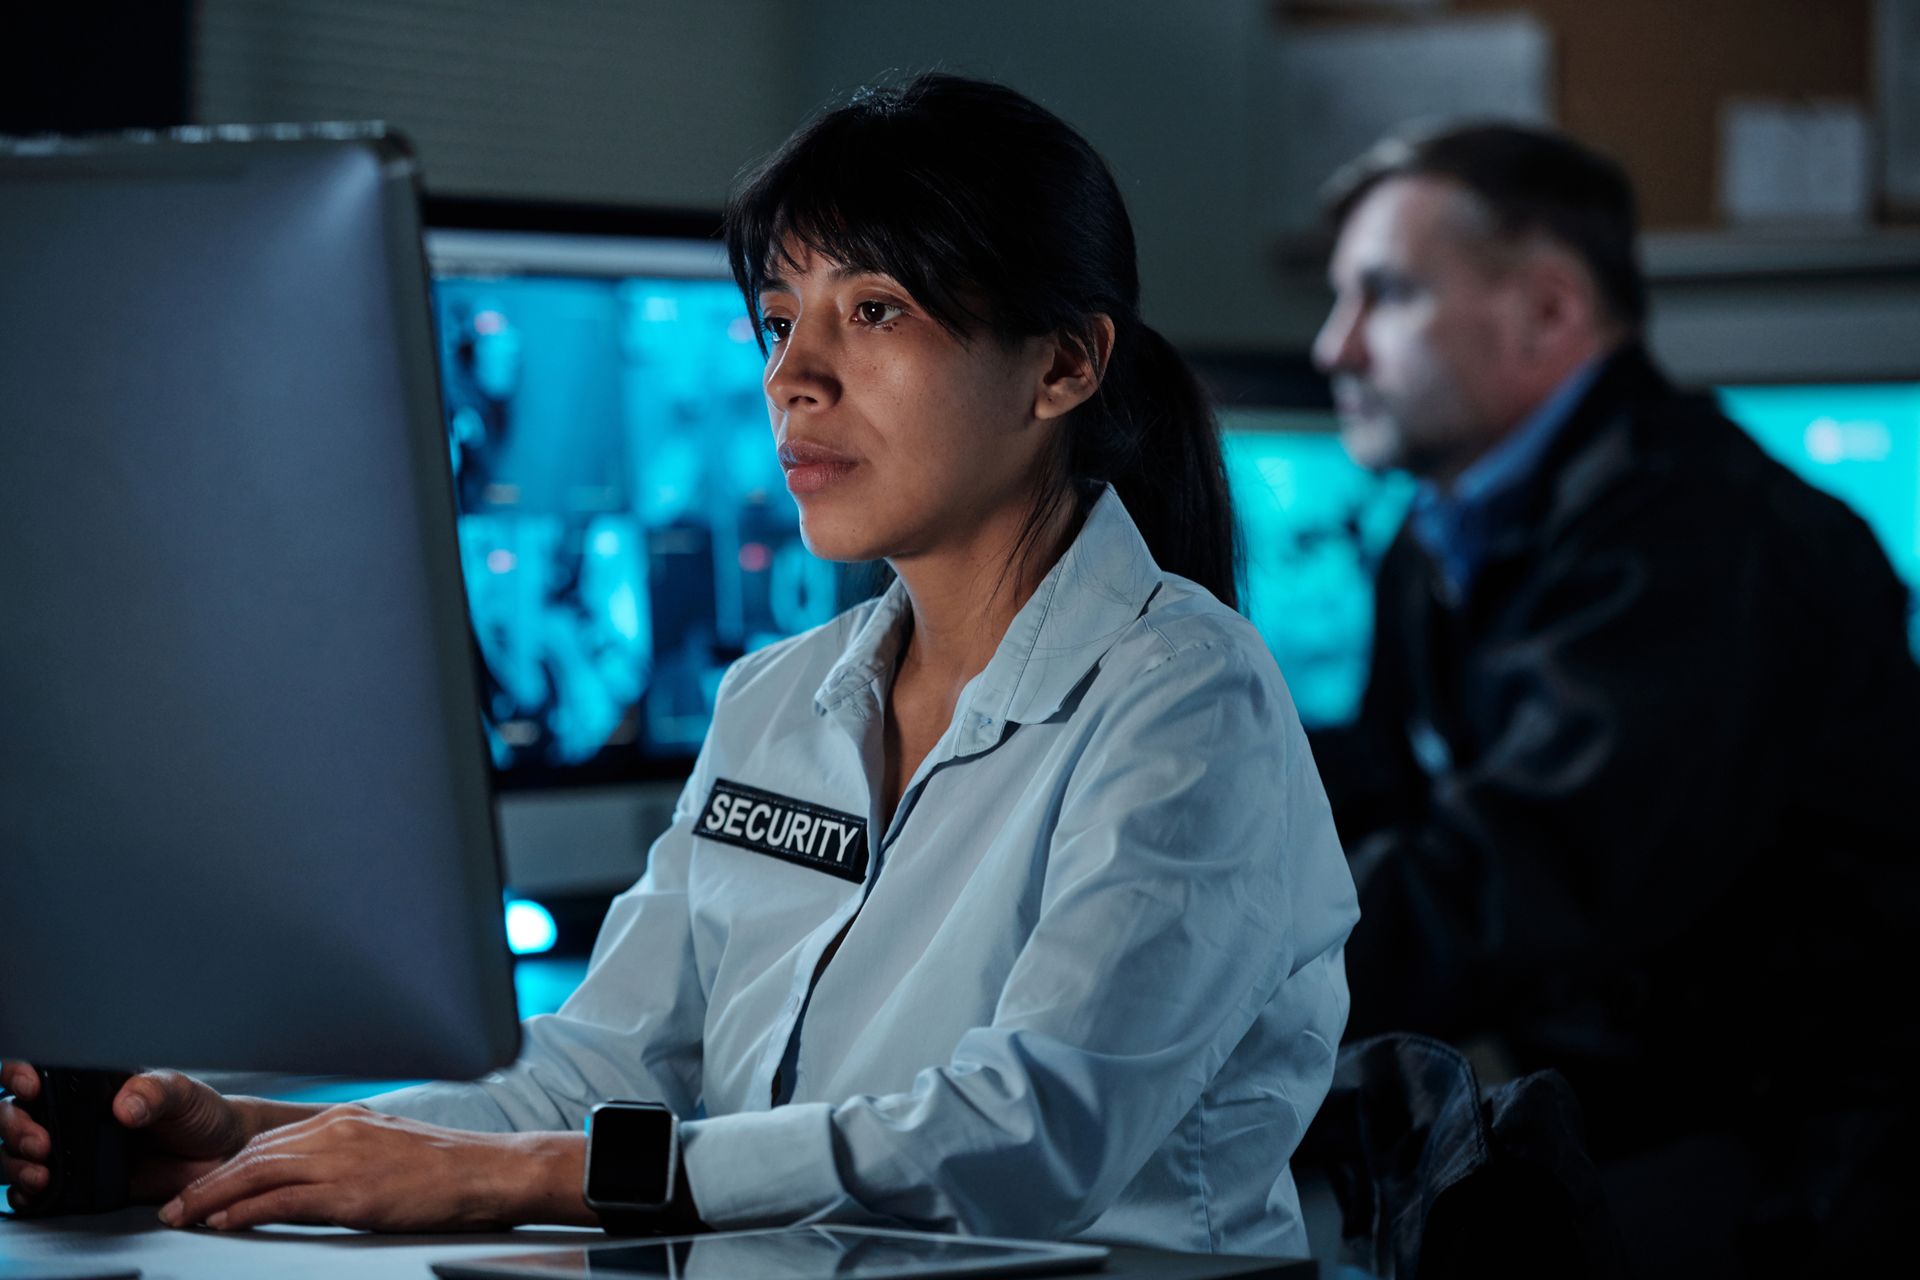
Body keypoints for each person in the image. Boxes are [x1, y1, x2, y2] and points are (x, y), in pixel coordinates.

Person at [0, 74, 1358, 1255]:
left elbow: (1029, 1133)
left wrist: (524, 1180)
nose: (795, 378)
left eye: (874, 311)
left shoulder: (1186, 695)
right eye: (779, 321)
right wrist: (268, 1133)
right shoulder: (777, 700)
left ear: (1064, 366)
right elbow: (597, 1066)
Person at [1304, 121, 1920, 1272]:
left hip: (1786, 1166)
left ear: (1547, 309)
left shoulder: (1708, 542)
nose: (1333, 346)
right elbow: (1375, 782)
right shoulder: (1441, 530)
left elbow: (1515, 871)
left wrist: (1202, 967)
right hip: (1622, 1114)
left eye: (1381, 296)